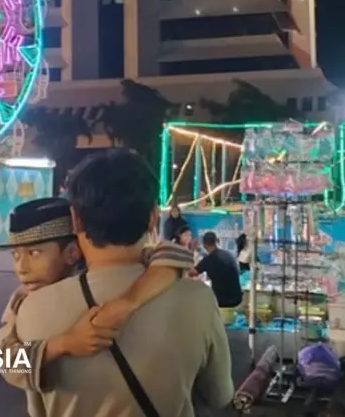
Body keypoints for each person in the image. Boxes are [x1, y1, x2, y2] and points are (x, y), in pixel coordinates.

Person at [14, 149, 234, 416]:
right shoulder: (197, 299)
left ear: (76, 219)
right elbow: (219, 395)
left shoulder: (32, 308)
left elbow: (32, 399)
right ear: (153, 217)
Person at [195, 232, 243, 308]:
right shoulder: (229, 255)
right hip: (237, 299)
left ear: (204, 245)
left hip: (222, 302)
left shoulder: (207, 260)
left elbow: (192, 273)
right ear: (217, 241)